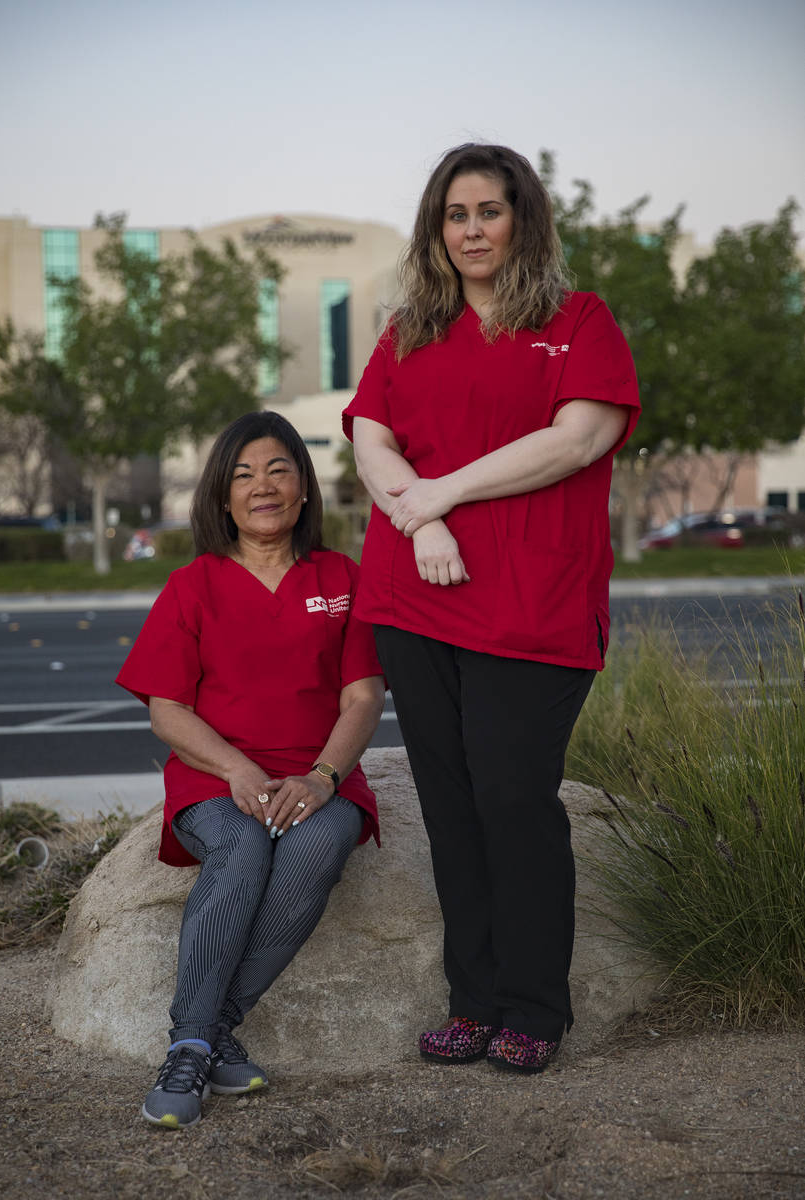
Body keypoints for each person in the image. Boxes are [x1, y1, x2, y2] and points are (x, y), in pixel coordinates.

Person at [343, 143, 640, 1075]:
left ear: (523, 220)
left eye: (488, 211)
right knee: (454, 808)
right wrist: (416, 515)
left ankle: (534, 1008)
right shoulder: (408, 331)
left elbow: (576, 437)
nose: (470, 230)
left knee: (513, 799)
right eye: (454, 214)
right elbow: (370, 441)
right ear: (437, 230)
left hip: (535, 607)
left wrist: (438, 496)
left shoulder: (577, 320)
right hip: (416, 599)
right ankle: (470, 1001)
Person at [116, 410, 384, 1128]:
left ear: (302, 487)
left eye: (276, 469)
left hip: (317, 774)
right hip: (218, 776)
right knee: (240, 846)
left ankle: (204, 1034)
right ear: (221, 497)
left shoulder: (342, 578)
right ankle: (196, 1042)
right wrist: (236, 771)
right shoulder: (192, 586)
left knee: (317, 844)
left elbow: (363, 696)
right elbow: (166, 710)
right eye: (241, 475)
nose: (260, 486)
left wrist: (323, 779)